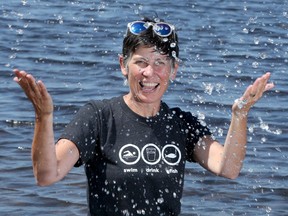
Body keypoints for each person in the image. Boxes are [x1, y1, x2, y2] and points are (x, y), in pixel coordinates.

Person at [13, 17, 274, 216]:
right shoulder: (99, 117)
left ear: (174, 70)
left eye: (161, 62)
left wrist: (240, 115)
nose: (150, 73)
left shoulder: (181, 124)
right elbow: (46, 174)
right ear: (123, 65)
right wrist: (43, 116)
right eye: (141, 62)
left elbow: (228, 168)